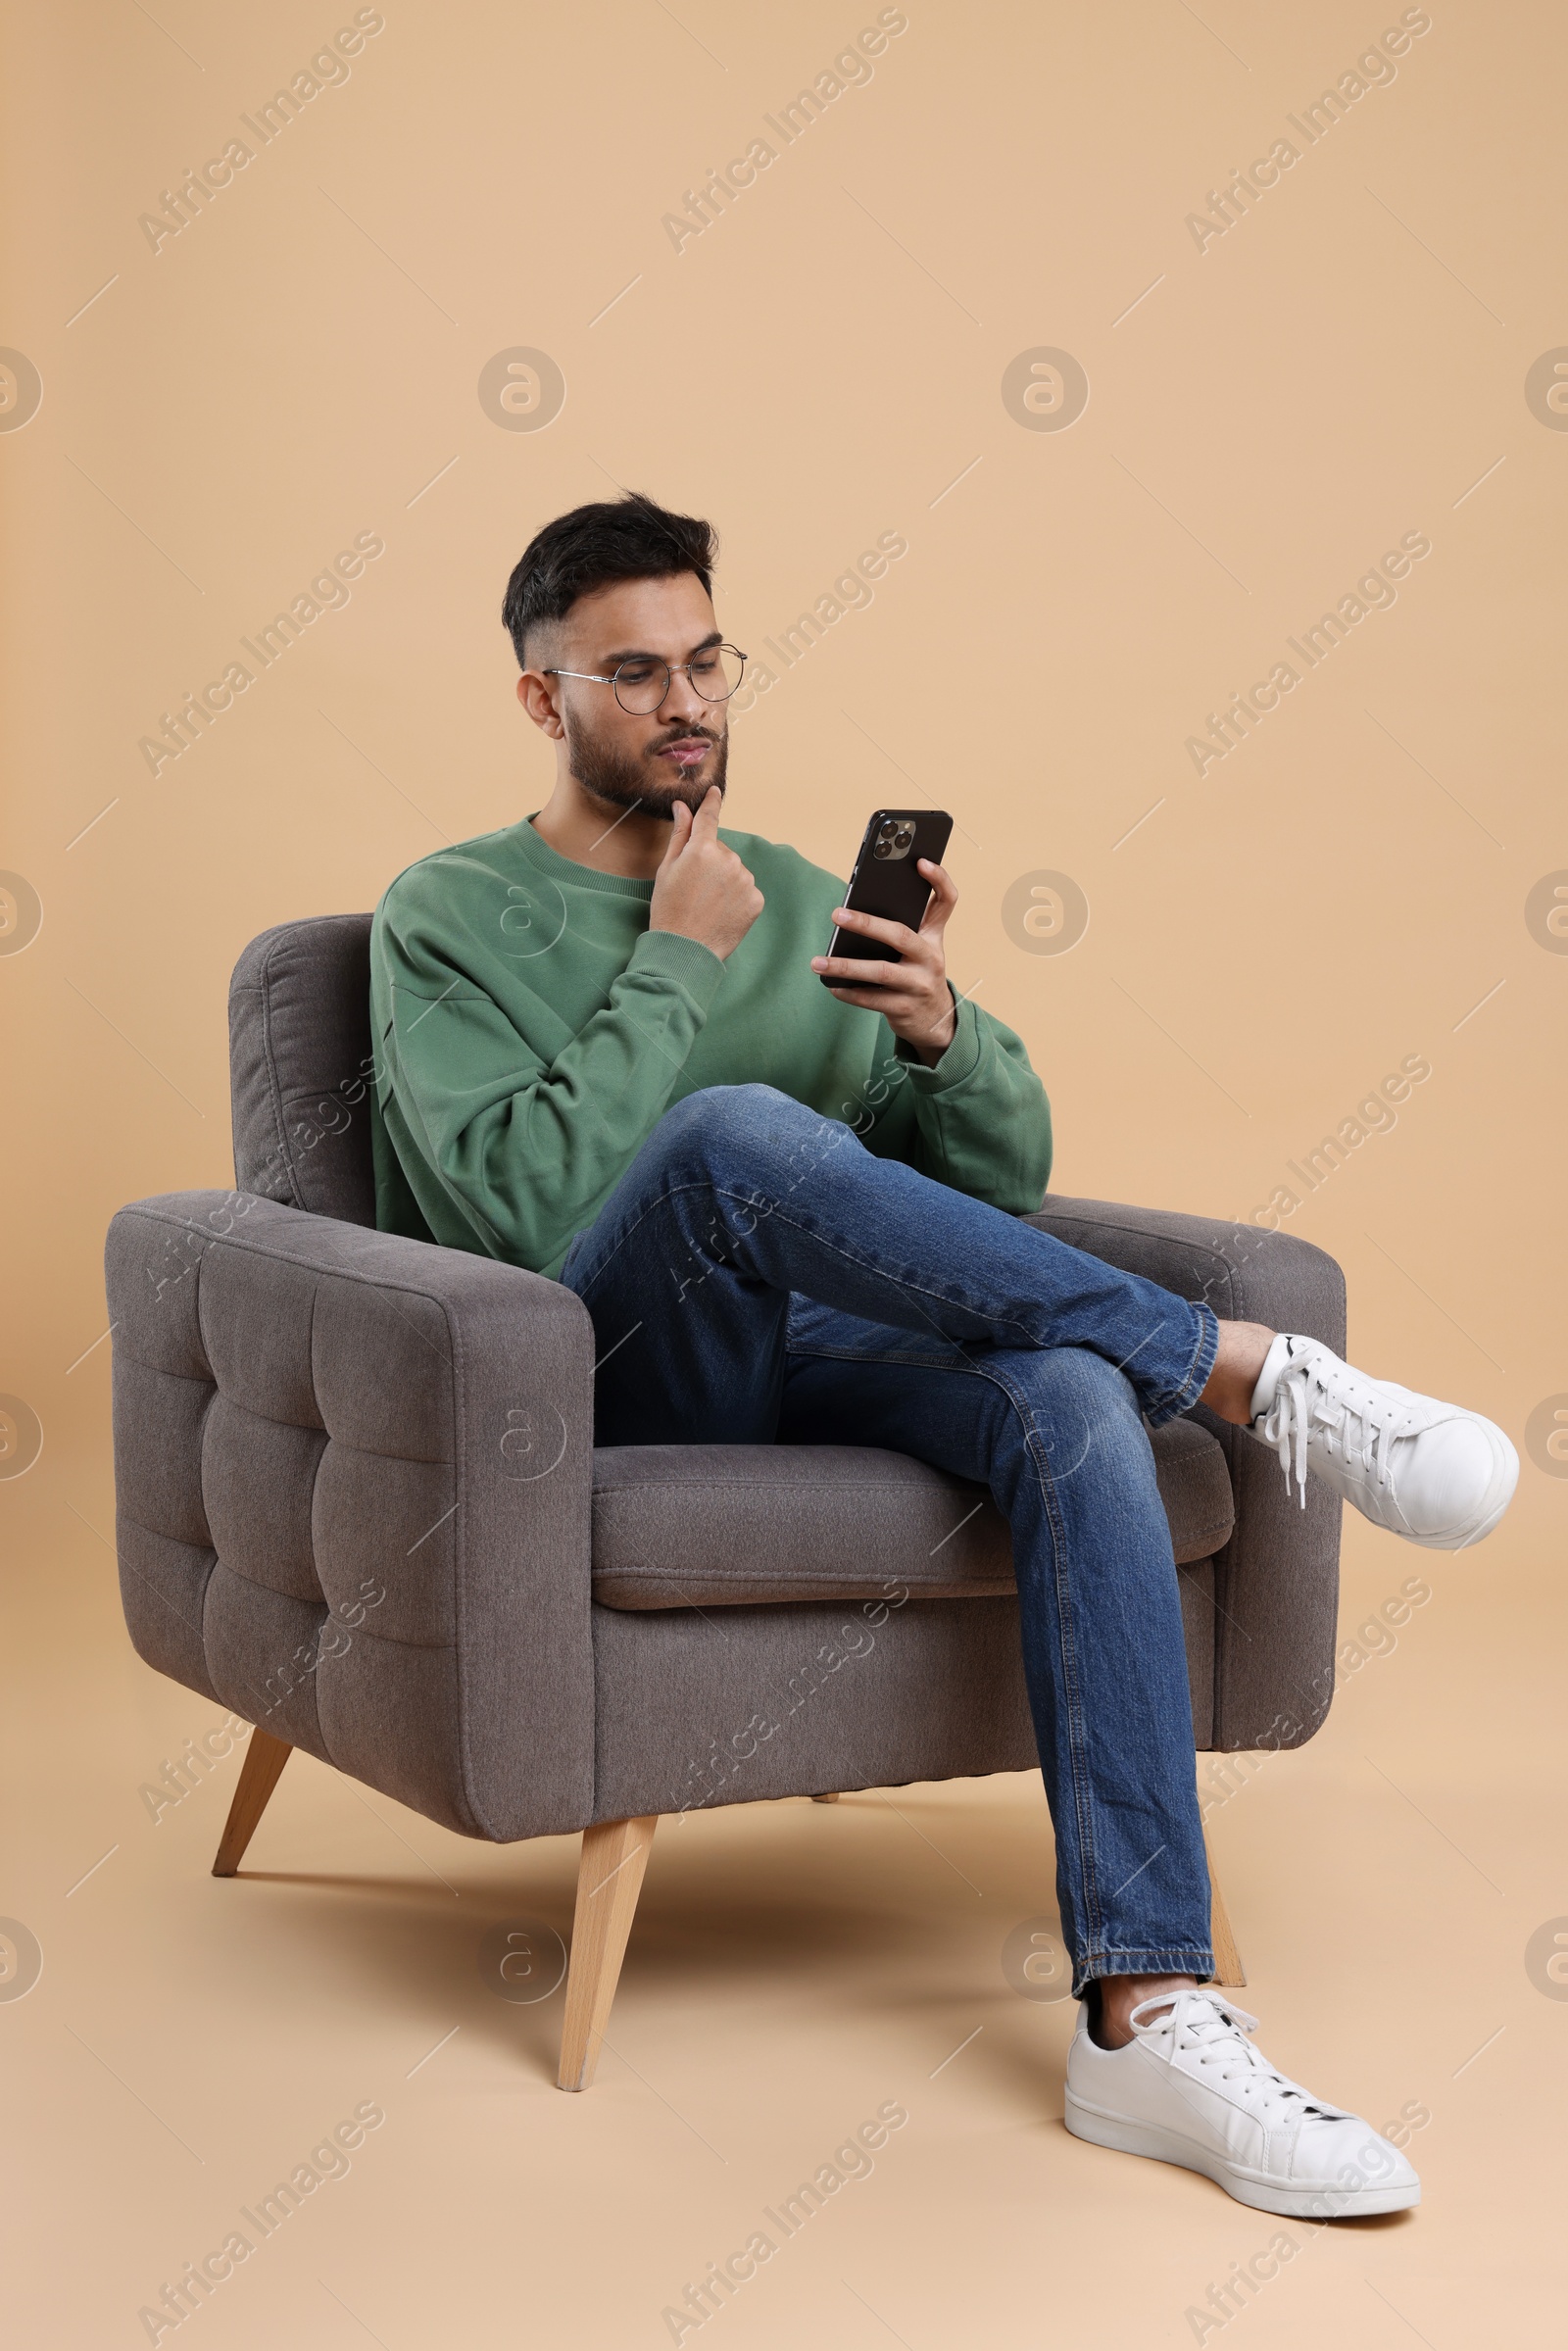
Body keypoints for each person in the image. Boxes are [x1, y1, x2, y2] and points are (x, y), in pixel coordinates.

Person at [368, 493, 1517, 2219]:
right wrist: (675, 970)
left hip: (808, 1353)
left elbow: (983, 1216)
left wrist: (944, 1044)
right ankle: (1249, 1377)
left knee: (1060, 1391)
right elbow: (520, 1214)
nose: (685, 705)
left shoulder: (807, 897)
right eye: (632, 676)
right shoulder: (444, 912)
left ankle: (1147, 2017)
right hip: (586, 1373)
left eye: (706, 662)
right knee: (736, 1134)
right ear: (543, 701)